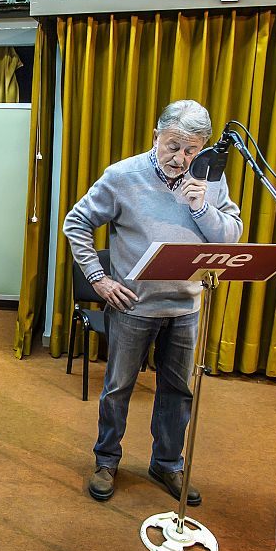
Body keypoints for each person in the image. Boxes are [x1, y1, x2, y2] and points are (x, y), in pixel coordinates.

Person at [62, 100, 242, 505]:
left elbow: (229, 237)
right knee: (118, 388)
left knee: (178, 392)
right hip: (133, 306)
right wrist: (99, 279)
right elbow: (76, 222)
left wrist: (201, 206)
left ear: (204, 149)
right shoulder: (123, 176)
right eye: (173, 145)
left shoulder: (211, 178)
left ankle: (167, 463)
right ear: (156, 136)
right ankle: (106, 460)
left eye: (192, 149)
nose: (181, 158)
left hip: (185, 306)